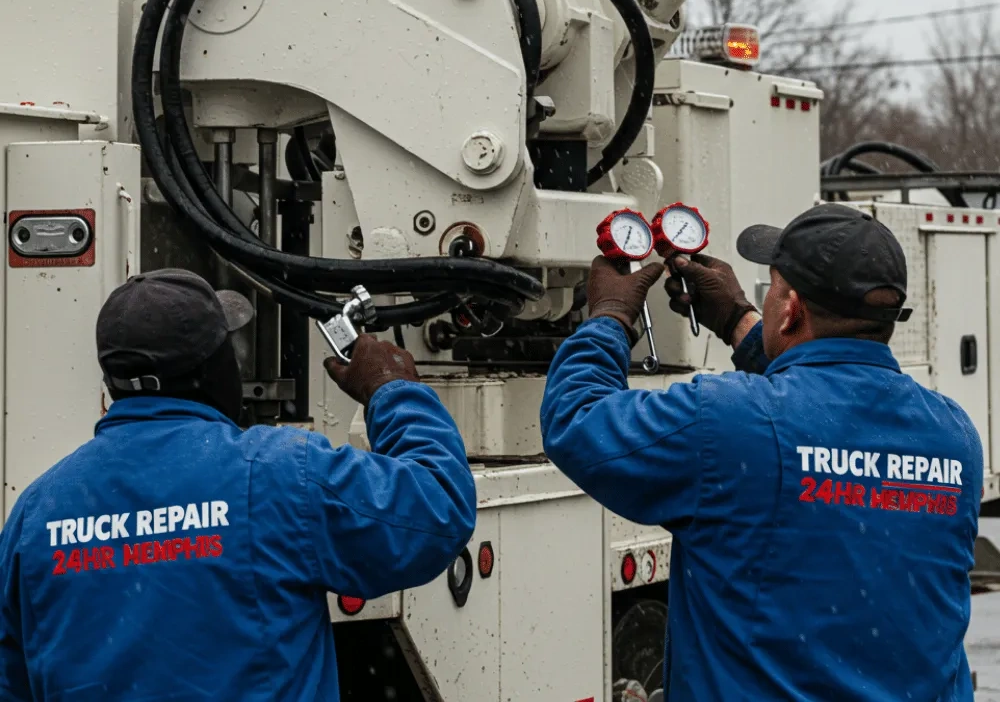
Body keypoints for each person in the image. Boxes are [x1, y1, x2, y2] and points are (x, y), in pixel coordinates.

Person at [541, 204, 982, 702]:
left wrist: (609, 317)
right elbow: (813, 427)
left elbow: (577, 420)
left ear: (791, 308)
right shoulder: (953, 437)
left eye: (770, 289)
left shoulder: (724, 423)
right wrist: (738, 322)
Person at [0, 269, 476, 701]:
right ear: (213, 370)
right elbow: (437, 507)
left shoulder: (37, 513)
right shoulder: (279, 472)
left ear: (111, 381)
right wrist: (393, 392)